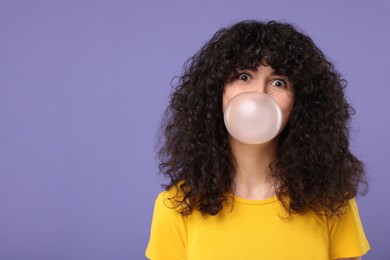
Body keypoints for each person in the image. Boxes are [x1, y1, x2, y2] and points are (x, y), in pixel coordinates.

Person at [145, 20, 370, 260]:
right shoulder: (177, 205)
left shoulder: (331, 201)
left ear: (300, 102)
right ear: (217, 92)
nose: (259, 94)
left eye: (278, 82)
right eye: (244, 76)